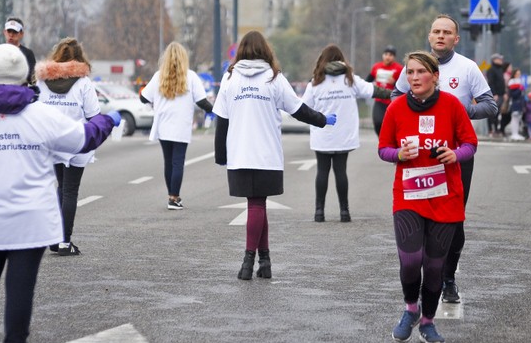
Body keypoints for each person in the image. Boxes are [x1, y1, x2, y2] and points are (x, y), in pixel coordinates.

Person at [0, 43, 121, 343]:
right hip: (30, 221)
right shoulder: (40, 115)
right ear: (25, 76)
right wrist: (107, 120)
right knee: (20, 288)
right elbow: (83, 139)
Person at [213, 30, 337, 280]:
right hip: (266, 154)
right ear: (265, 50)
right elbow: (298, 109)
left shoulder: (230, 78)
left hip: (240, 153)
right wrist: (322, 120)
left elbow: (222, 120)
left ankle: (259, 261)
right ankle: (256, 261)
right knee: (258, 204)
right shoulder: (273, 78)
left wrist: (221, 154)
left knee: (256, 204)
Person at [392, 14, 497, 304]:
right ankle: (423, 277)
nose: (441, 36)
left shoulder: (467, 68)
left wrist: (459, 114)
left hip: (456, 155)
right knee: (419, 217)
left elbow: (490, 105)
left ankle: (448, 278)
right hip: (419, 157)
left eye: (447, 32)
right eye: (436, 31)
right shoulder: (415, 66)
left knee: (453, 222)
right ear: (429, 36)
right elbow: (395, 97)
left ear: (455, 39)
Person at [379, 50, 477, 343]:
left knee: (434, 267)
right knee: (411, 261)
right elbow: (383, 148)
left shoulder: (452, 106)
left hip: (445, 197)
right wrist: (398, 154)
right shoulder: (396, 108)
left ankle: (428, 322)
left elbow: (470, 143)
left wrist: (454, 154)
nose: (414, 77)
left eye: (420, 72)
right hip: (409, 195)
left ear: (435, 76)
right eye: (409, 72)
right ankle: (411, 309)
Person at [303, 44, 389, 222]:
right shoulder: (351, 79)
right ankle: (344, 212)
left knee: (322, 171)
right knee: (341, 171)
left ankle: (319, 212)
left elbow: (304, 107)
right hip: (344, 135)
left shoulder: (315, 82)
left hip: (323, 134)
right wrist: (398, 93)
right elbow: (374, 91)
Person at [35, 37, 103, 256]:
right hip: (76, 142)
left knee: (61, 188)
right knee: (70, 191)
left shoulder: (42, 81)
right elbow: (94, 115)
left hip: (52, 142)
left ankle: (55, 238)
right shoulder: (83, 83)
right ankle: (64, 241)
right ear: (79, 58)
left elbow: (35, 111)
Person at [140, 41, 213, 210]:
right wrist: (218, 111)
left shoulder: (159, 76)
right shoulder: (191, 76)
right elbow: (202, 102)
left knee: (168, 161)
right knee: (178, 162)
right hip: (181, 125)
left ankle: (171, 196)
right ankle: (174, 198)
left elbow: (144, 98)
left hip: (163, 124)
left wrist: (155, 98)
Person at [0, 17, 37, 85]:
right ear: (4, 32)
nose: (11, 35)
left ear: (21, 34)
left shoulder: (27, 53)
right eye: (9, 31)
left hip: (18, 94)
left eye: (15, 32)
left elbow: (32, 79)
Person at [366, 45, 403, 136]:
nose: (388, 57)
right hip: (379, 101)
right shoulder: (376, 67)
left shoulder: (399, 69)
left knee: (393, 124)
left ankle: (391, 141)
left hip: (392, 101)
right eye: (386, 54)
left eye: (390, 55)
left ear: (394, 57)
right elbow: (367, 81)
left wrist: (394, 83)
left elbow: (404, 86)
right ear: (383, 55)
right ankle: (382, 140)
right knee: (378, 122)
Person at [485, 53, 507, 137]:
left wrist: (504, 92)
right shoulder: (491, 69)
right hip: (495, 94)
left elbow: (502, 82)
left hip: (501, 94)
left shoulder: (500, 69)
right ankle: (491, 129)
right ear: (494, 60)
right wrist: (494, 93)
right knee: (492, 113)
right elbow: (491, 82)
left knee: (498, 113)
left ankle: (496, 129)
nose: (501, 61)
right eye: (499, 59)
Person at [507, 68, 526, 141]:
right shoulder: (512, 83)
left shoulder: (520, 82)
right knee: (514, 119)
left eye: (519, 74)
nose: (519, 75)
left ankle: (516, 133)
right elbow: (512, 94)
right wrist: (519, 89)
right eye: (517, 74)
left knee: (518, 119)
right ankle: (514, 134)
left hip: (520, 103)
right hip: (515, 103)